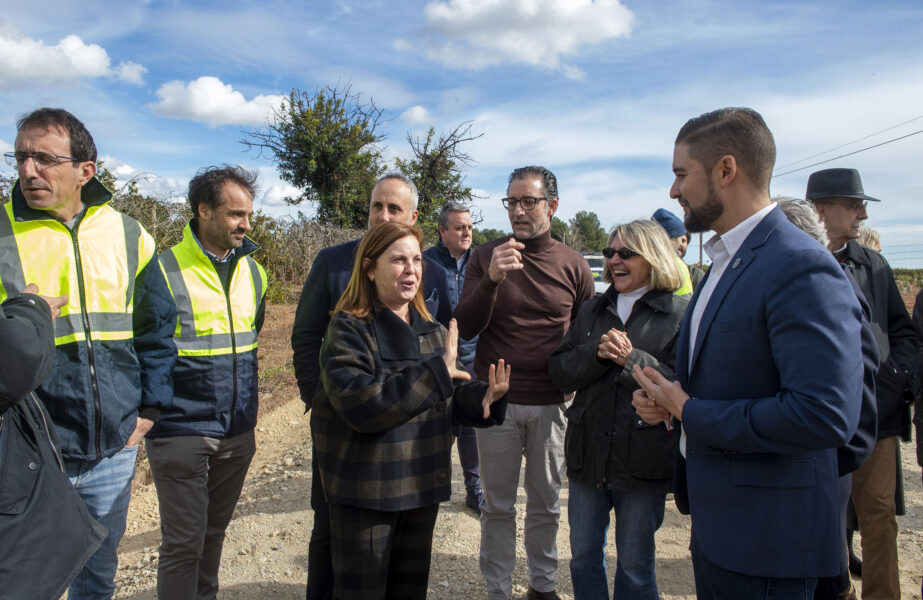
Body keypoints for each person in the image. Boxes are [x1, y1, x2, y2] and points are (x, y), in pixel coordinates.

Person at [632, 107, 863, 599]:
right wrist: (670, 404)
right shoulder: (723, 261)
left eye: (681, 174)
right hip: (721, 528)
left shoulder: (799, 264)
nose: (673, 191)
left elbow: (823, 414)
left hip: (770, 544)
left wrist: (691, 412)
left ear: (726, 170)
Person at [0, 108, 177, 600]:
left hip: (111, 449)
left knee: (97, 579)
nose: (28, 170)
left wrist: (150, 408)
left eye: (44, 158)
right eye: (20, 157)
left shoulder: (129, 234)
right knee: (22, 583)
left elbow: (157, 329)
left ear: (86, 170)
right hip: (26, 453)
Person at [310, 221, 510, 599]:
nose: (411, 270)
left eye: (417, 260)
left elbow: (448, 393)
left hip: (420, 489)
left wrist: (484, 398)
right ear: (370, 268)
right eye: (398, 260)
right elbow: (361, 404)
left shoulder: (432, 331)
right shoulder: (348, 329)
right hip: (367, 494)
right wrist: (436, 374)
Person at [291, 172, 450, 600]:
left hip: (409, 454)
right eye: (376, 206)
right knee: (333, 532)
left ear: (412, 217)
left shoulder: (428, 272)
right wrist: (321, 397)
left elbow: (440, 348)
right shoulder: (332, 262)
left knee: (400, 569)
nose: (382, 215)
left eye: (393, 208)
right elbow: (306, 336)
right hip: (348, 430)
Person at [454, 165, 595, 600]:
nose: (518, 210)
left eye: (528, 201)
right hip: (497, 402)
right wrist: (492, 280)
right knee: (497, 505)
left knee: (545, 505)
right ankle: (498, 590)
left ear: (552, 206)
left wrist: (574, 384)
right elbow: (466, 325)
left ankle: (542, 586)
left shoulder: (574, 265)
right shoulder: (485, 256)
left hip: (552, 405)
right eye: (511, 201)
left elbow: (586, 336)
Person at [144, 166, 268, 599]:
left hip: (237, 430)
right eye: (235, 214)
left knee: (214, 534)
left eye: (248, 214)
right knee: (183, 543)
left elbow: (251, 338)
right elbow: (147, 347)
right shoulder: (162, 270)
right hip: (180, 429)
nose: (245, 224)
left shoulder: (254, 272)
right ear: (203, 210)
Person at [549, 219, 688, 600]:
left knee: (635, 567)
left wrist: (631, 360)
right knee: (582, 559)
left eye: (626, 253)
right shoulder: (592, 309)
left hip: (643, 462)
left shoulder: (680, 314)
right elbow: (559, 372)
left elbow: (683, 386)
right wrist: (596, 354)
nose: (614, 260)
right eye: (610, 252)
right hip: (587, 457)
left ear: (653, 257)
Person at [807, 167, 918, 600]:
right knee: (822, 518)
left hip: (877, 417)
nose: (863, 215)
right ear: (820, 210)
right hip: (817, 418)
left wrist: (897, 378)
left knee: (879, 515)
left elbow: (902, 330)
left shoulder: (873, 264)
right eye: (854, 205)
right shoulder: (794, 260)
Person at [778, 197, 880, 600]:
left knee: (824, 575)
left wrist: (828, 461)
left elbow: (860, 387)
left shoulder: (825, 284)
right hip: (792, 474)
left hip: (819, 471)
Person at [0, 285, 108, 600]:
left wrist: (149, 409)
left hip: (107, 443)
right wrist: (30, 307)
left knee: (96, 573)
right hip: (22, 470)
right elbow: (18, 357)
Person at [423, 201, 483, 513]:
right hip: (434, 360)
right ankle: (430, 490)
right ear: (442, 231)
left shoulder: (481, 262)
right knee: (438, 428)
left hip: (472, 358)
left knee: (471, 427)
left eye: (469, 227)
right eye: (459, 228)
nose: (466, 233)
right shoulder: (423, 262)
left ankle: (475, 489)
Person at [651, 207, 700, 292]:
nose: (681, 245)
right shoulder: (649, 268)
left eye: (684, 241)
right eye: (680, 239)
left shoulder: (695, 274)